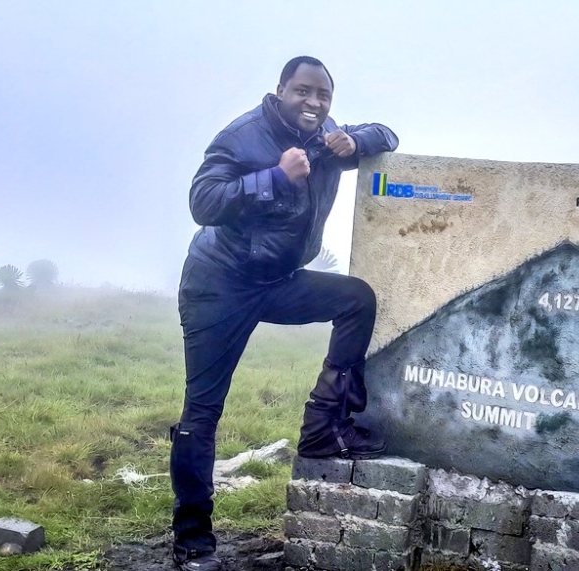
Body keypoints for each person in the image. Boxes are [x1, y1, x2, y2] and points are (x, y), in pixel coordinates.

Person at [169, 56, 398, 571]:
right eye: (303, 92)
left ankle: (325, 428)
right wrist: (273, 176)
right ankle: (193, 540)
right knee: (203, 411)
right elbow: (202, 202)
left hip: (277, 282)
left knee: (355, 298)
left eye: (324, 95)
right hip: (218, 287)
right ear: (280, 92)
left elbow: (386, 133)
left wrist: (357, 143)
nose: (314, 103)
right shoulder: (243, 135)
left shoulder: (327, 135)